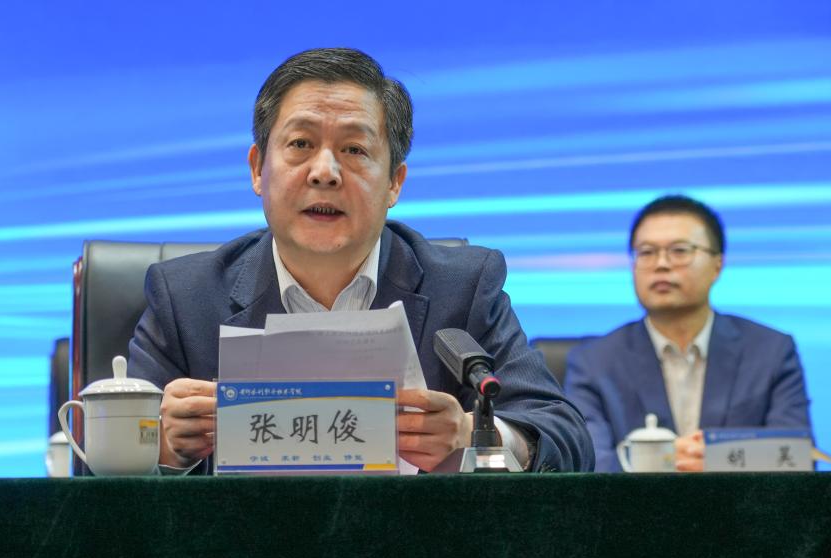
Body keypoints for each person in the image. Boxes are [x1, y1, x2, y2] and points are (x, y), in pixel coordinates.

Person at [129, 47, 593, 473]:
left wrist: (475, 434)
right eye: (300, 144)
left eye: (354, 150)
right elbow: (103, 475)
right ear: (257, 169)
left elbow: (568, 442)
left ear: (394, 183)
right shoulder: (186, 298)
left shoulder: (464, 288)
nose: (325, 172)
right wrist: (161, 446)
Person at [565, 195, 812, 472]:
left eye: (680, 251)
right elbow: (586, 460)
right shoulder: (594, 361)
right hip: (635, 502)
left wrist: (715, 460)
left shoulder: (771, 351)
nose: (661, 264)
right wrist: (658, 460)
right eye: (646, 252)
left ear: (717, 265)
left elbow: (796, 456)